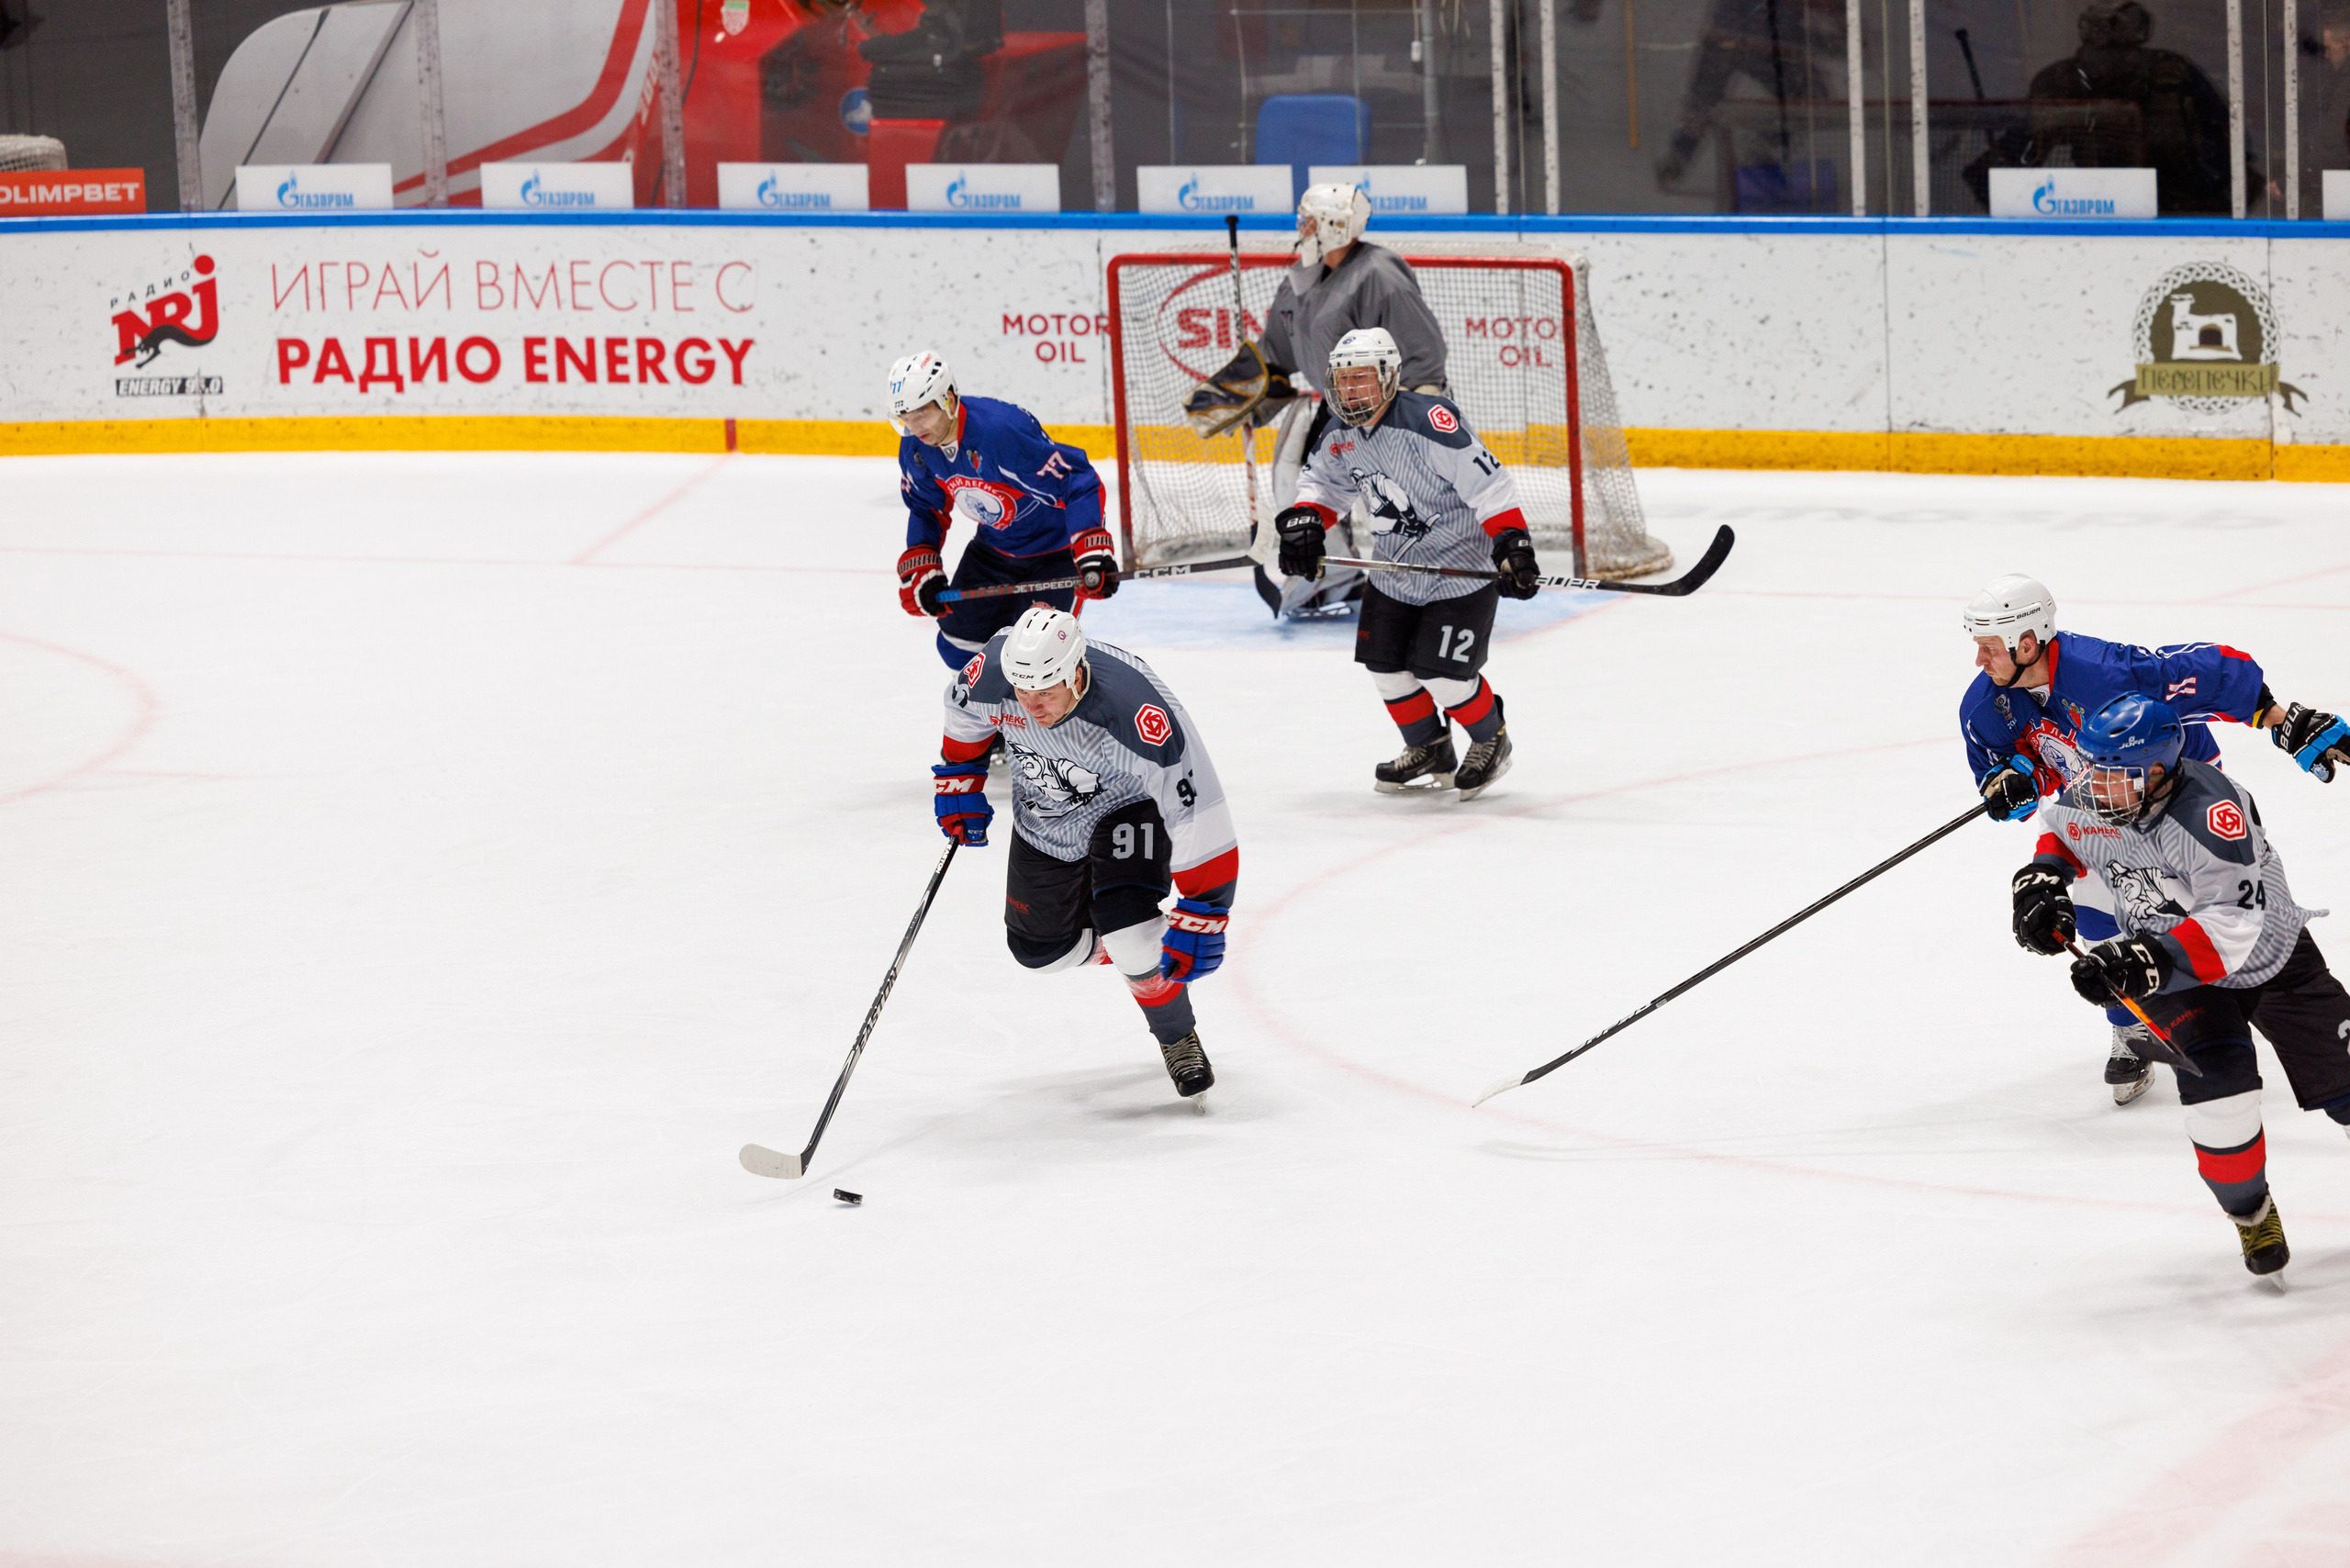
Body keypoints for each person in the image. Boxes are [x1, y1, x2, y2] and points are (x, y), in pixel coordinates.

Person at [1960, 573, 2350, 1103]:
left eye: (1987, 648)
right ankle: (2135, 1024)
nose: (1979, 661)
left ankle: (2301, 1016)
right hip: (2105, 812)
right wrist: (2013, 785)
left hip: (2180, 803)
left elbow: (2208, 671)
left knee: (2234, 918)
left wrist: (2280, 719)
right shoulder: (1985, 706)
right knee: (2098, 912)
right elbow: (2021, 770)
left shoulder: (2106, 672)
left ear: (2026, 642)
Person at [2009, 693, 2350, 1282]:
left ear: (2159, 773)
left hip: (2267, 955)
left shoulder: (2211, 812)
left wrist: (2139, 960)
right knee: (2220, 1099)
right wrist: (2042, 882)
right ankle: (2251, 1215)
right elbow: (2067, 831)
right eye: (2096, 771)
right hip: (2173, 967)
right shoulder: (2110, 789)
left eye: (2114, 776)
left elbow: (2232, 925)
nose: (2096, 787)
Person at [931, 606, 1238, 1099]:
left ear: (1076, 673)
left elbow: (1197, 809)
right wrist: (959, 776)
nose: (1030, 705)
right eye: (1022, 691)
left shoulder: (1136, 711)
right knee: (1037, 952)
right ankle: (1139, 956)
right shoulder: (992, 673)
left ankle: (1175, 1031)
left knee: (1133, 933)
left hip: (1128, 804)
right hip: (1045, 810)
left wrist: (1205, 908)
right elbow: (964, 708)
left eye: (1045, 692)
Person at [1274, 327, 1539, 801]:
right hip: (1394, 570)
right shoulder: (1340, 432)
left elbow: (1489, 486)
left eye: (1361, 379)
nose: (1351, 390)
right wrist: (1306, 521)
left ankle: (1490, 738)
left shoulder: (1430, 421)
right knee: (1386, 667)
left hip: (1460, 570)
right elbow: (1324, 485)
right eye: (1343, 379)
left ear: (1389, 376)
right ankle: (1429, 747)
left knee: (1441, 672)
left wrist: (1512, 545)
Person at [1185, 184, 1450, 620]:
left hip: (1390, 406)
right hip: (1333, 406)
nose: (1301, 228)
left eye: (1309, 220)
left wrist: (1418, 416)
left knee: (1391, 496)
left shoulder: (1380, 274)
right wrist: (1245, 393)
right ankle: (1332, 578)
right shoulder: (1301, 278)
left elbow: (1424, 354)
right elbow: (1278, 354)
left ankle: (1425, 582)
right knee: (1297, 479)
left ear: (1334, 226)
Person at [889, 350, 1116, 671]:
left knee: (1039, 660)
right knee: (958, 648)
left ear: (949, 400)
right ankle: (994, 719)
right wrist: (924, 561)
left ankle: (1050, 719)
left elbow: (1077, 481)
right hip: (994, 549)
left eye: (921, 414)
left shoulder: (1000, 432)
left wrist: (1090, 545)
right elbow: (926, 507)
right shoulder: (916, 446)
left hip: (1056, 551)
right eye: (905, 418)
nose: (914, 427)